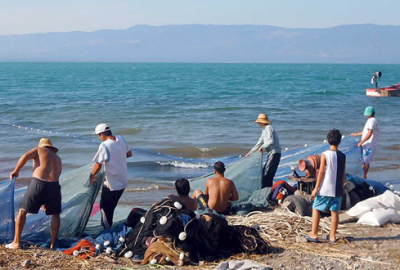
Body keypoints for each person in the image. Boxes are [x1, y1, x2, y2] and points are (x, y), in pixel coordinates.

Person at [6, 138, 62, 250]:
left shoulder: (38, 150)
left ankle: (16, 242)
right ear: (51, 147)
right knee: (55, 214)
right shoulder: (58, 158)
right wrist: (45, 200)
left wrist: (16, 170)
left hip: (38, 183)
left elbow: (25, 156)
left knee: (22, 210)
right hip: (54, 186)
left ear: (41, 146)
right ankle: (52, 245)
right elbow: (57, 175)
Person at [307, 129, 346, 243]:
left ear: (328, 141)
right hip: (337, 189)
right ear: (339, 142)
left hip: (325, 189)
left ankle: (314, 234)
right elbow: (343, 173)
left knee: (316, 208)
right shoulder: (342, 156)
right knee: (335, 212)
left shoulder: (325, 154)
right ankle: (332, 236)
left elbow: (322, 172)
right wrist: (343, 184)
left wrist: (316, 188)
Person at [90, 123, 132, 229]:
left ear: (101, 135)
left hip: (111, 184)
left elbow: (98, 165)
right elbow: (129, 154)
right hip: (122, 182)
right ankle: (109, 226)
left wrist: (91, 176)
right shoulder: (121, 138)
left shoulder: (104, 145)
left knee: (104, 208)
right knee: (111, 206)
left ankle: (107, 231)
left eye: (98, 136)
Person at [246, 113, 281, 188]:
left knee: (267, 175)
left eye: (258, 122)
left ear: (261, 122)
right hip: (271, 154)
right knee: (265, 174)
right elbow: (258, 144)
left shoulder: (269, 128)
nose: (258, 123)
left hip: (275, 154)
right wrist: (250, 152)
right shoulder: (264, 131)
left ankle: (267, 194)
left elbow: (270, 141)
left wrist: (262, 147)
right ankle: (268, 193)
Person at [350, 106, 379, 179]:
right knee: (366, 162)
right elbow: (366, 132)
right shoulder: (373, 120)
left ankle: (363, 179)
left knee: (363, 163)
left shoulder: (371, 121)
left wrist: (361, 142)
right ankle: (364, 177)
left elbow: (369, 133)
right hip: (370, 145)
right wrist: (355, 134)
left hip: (369, 146)